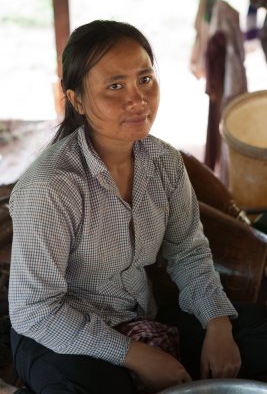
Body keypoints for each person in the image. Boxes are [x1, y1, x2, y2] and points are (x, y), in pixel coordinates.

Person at [6, 20, 267, 394]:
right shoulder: (51, 187)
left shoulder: (164, 162)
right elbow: (35, 311)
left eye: (144, 79)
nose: (138, 99)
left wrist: (218, 323)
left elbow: (188, 252)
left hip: (140, 316)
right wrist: (137, 355)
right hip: (58, 335)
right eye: (115, 86)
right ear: (77, 100)